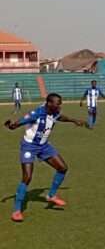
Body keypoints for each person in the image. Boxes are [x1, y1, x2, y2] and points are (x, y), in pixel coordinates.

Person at [4, 93, 87, 222]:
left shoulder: (54, 112)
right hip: (29, 147)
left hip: (44, 146)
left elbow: (60, 117)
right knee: (27, 178)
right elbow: (17, 124)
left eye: (60, 103)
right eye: (57, 103)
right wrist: (10, 125)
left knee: (62, 168)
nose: (60, 105)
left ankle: (51, 195)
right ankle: (16, 211)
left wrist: (73, 120)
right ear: (49, 103)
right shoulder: (36, 113)